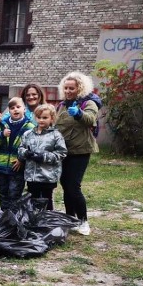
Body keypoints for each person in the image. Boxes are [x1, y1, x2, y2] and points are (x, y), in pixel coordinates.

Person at [55, 71, 99, 236]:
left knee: (74, 186)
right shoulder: (61, 105)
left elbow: (90, 119)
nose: (68, 91)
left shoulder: (88, 103)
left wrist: (79, 114)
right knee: (65, 184)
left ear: (79, 88)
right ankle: (70, 218)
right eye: (65, 88)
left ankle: (83, 221)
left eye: (71, 88)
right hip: (64, 151)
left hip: (80, 150)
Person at [18, 104, 67, 211]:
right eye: (39, 117)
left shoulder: (56, 135)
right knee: (32, 200)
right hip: (32, 175)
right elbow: (20, 148)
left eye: (45, 118)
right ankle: (34, 222)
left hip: (48, 176)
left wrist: (44, 157)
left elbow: (61, 153)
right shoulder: (28, 134)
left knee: (46, 200)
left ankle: (47, 222)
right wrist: (26, 153)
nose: (41, 120)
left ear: (52, 118)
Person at [0, 97, 36, 209]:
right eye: (12, 108)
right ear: (9, 110)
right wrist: (1, 135)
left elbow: (32, 147)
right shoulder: (2, 125)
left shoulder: (29, 127)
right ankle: (4, 218)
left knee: (14, 194)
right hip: (1, 166)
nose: (15, 110)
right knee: (3, 194)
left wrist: (21, 159)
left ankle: (14, 220)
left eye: (18, 107)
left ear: (24, 109)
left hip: (17, 167)